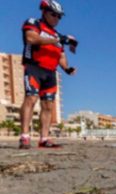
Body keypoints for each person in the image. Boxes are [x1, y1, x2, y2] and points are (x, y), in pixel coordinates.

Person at [19, 0, 78, 149]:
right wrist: (59, 39)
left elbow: (61, 56)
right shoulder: (34, 23)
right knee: (31, 99)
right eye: (54, 15)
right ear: (44, 12)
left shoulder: (58, 35)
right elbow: (31, 38)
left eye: (59, 17)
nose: (57, 19)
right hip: (34, 67)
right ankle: (25, 136)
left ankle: (44, 139)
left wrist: (67, 69)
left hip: (50, 73)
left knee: (48, 106)